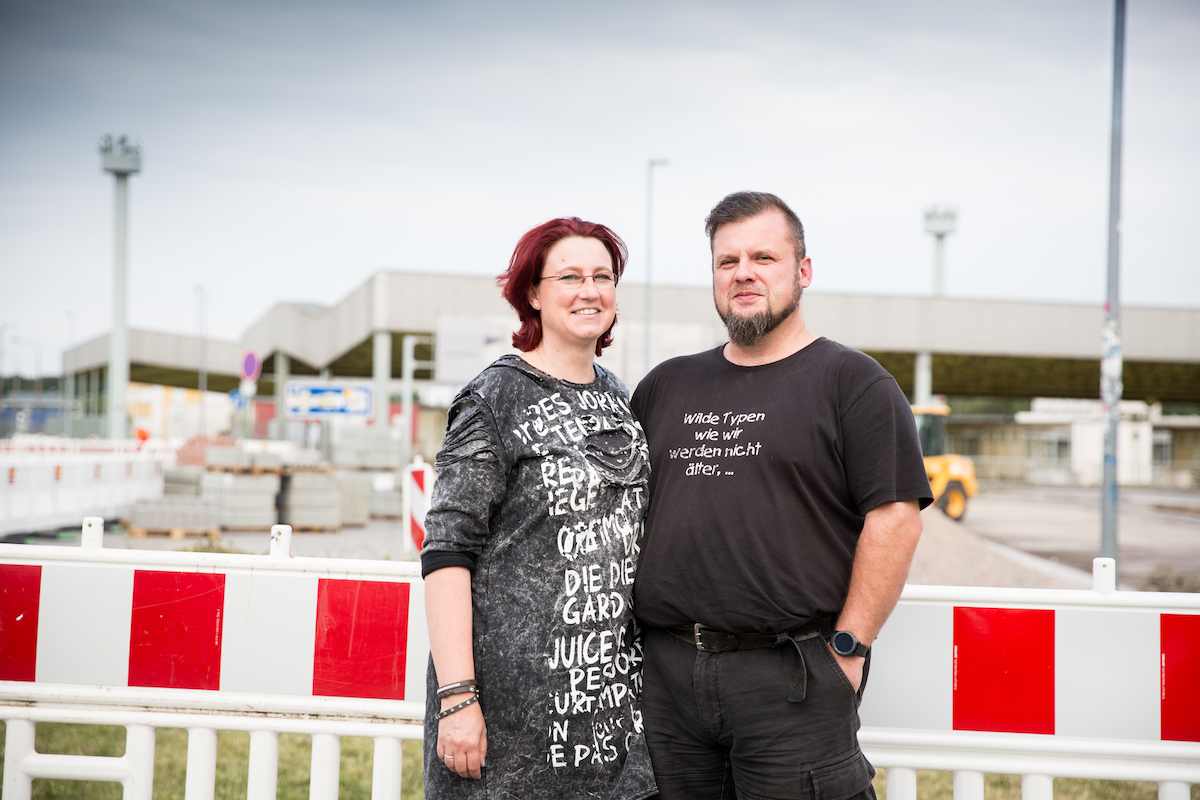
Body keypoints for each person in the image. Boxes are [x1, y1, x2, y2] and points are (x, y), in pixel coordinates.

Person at [630, 191, 932, 800]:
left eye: (764, 257)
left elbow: (896, 521)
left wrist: (846, 652)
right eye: (726, 261)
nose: (743, 273)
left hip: (791, 679)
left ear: (803, 271)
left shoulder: (855, 384)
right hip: (664, 685)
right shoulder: (665, 385)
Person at [420, 217, 657, 800]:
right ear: (533, 293)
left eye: (603, 276)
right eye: (570, 276)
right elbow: (447, 551)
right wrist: (457, 699)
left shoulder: (622, 398)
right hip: (505, 723)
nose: (589, 290)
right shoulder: (493, 398)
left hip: (609, 719)